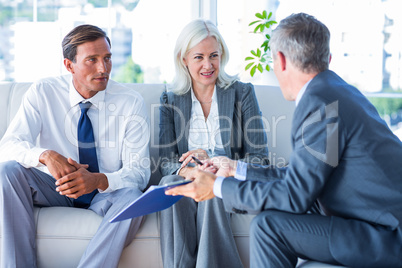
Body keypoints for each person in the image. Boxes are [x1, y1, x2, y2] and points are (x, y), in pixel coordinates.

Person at [166, 13, 402, 268]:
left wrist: (217, 187)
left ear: (280, 60)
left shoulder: (319, 104)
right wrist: (237, 169)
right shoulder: (335, 92)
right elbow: (301, 178)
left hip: (385, 237)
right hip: (377, 225)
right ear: (327, 58)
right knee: (269, 223)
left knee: (268, 228)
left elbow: (295, 195)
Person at [0, 24, 150, 267]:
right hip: (56, 187)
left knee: (134, 198)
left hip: (104, 194)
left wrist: (98, 180)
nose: (103, 68)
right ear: (69, 65)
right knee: (7, 172)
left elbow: (139, 173)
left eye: (107, 58)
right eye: (92, 60)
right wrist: (45, 155)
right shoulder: (44, 91)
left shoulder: (131, 103)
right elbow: (7, 147)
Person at [158, 19, 269, 268]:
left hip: (228, 179)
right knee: (170, 183)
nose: (208, 65)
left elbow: (260, 157)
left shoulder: (242, 93)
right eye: (199, 57)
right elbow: (165, 161)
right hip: (187, 178)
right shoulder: (170, 99)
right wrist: (189, 169)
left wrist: (220, 164)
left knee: (211, 184)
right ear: (183, 59)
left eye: (214, 56)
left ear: (222, 56)